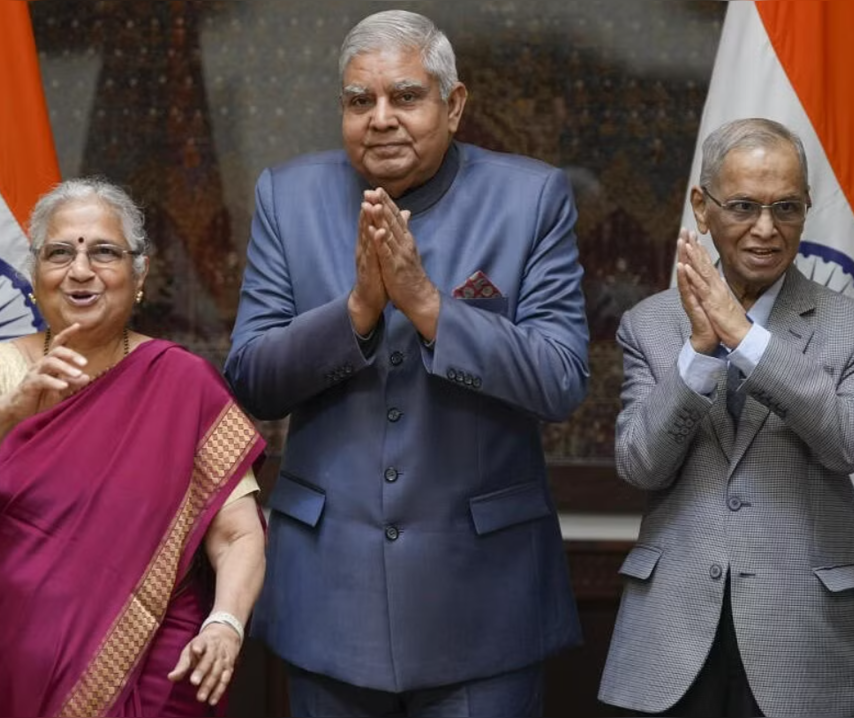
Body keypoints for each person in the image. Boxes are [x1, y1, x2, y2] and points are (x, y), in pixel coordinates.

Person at [224, 10, 589, 718]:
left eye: (406, 97)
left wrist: (427, 306)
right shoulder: (287, 196)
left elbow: (560, 377)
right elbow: (251, 378)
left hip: (485, 599)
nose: (381, 118)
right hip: (329, 595)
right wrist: (356, 312)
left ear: (453, 105)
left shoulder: (530, 198)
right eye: (360, 101)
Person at [0, 178, 267, 717]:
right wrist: (10, 408)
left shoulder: (181, 382)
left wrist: (226, 622)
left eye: (104, 252)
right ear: (35, 274)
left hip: (155, 672)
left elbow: (239, 532)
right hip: (12, 670)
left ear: (139, 273)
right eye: (60, 253)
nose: (81, 271)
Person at [599, 118, 854, 717]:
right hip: (672, 639)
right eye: (743, 206)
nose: (766, 228)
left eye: (786, 207)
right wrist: (700, 355)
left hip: (806, 639)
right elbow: (640, 465)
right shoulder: (650, 326)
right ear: (702, 209)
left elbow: (850, 443)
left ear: (807, 207)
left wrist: (746, 340)